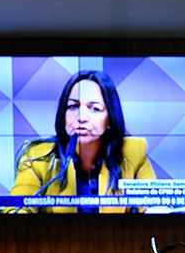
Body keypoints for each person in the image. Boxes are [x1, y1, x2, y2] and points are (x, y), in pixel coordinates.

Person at [9, 70, 156, 213]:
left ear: (110, 118)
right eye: (73, 106)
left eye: (95, 109)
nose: (82, 117)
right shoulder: (38, 157)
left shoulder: (132, 152)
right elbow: (15, 209)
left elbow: (154, 207)